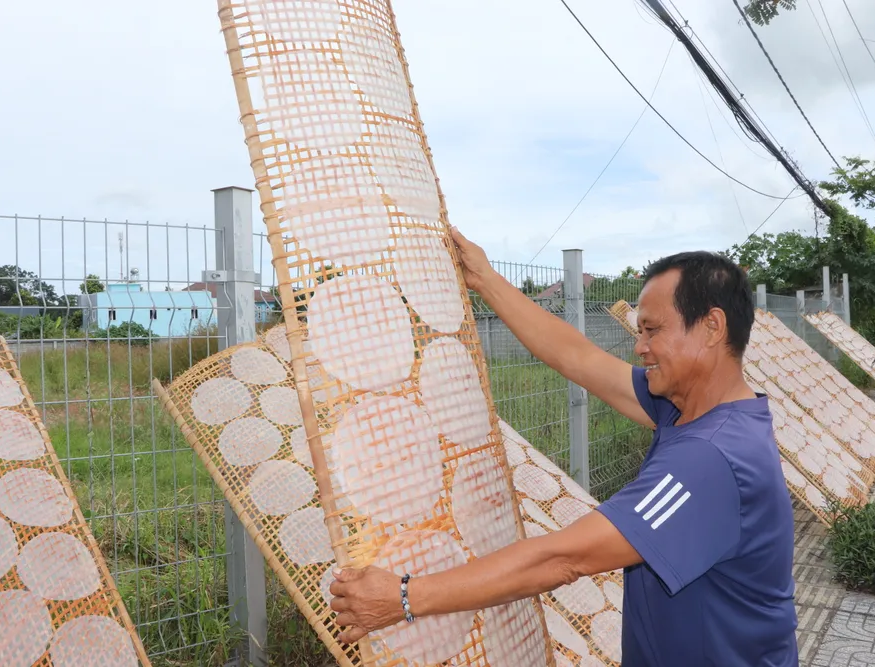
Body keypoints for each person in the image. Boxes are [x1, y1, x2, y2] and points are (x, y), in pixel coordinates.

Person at [328, 228, 798, 666]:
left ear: (712, 328)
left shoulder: (710, 459)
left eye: (653, 330)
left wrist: (405, 598)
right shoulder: (684, 407)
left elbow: (563, 558)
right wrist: (485, 280)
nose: (640, 347)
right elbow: (577, 356)